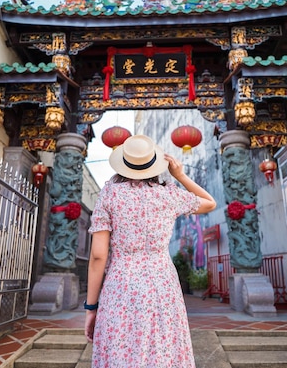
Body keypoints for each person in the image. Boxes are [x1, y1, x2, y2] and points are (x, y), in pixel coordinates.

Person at [84, 134, 216, 368]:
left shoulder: (110, 194)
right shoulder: (169, 195)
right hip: (162, 283)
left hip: (120, 285)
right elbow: (209, 203)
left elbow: (98, 256)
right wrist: (180, 175)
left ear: (124, 164)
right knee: (162, 348)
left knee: (120, 349)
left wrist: (91, 308)